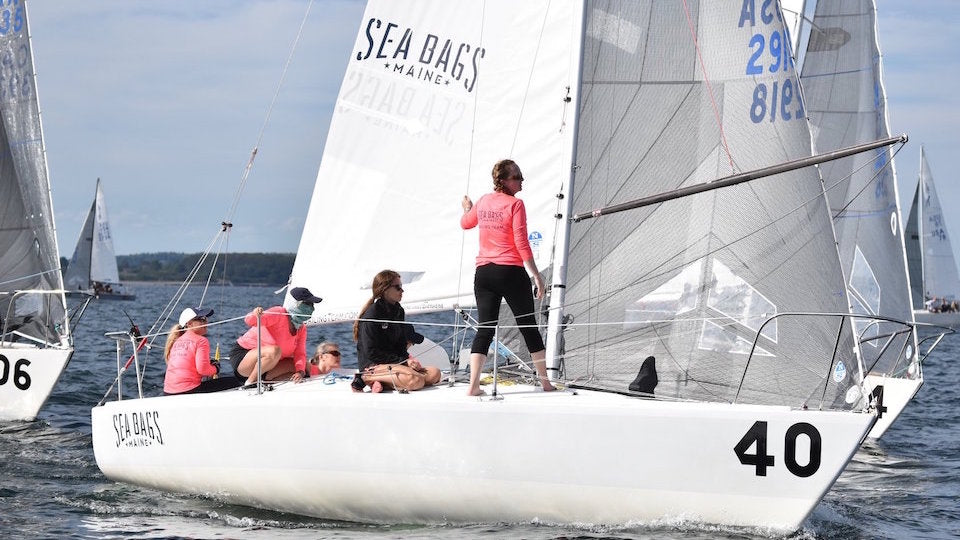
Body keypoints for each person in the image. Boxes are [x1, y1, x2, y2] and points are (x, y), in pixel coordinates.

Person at [460, 158, 555, 396]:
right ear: (502, 181)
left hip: (484, 273)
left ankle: (472, 387)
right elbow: (522, 244)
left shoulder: (482, 202)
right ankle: (545, 383)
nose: (522, 180)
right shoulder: (516, 204)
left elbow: (465, 223)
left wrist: (467, 209)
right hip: (510, 271)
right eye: (517, 177)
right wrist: (537, 276)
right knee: (528, 326)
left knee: (485, 328)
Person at [353, 270, 441, 392]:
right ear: (384, 289)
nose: (402, 291)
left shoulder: (399, 311)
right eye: (397, 287)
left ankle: (383, 381)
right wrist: (402, 362)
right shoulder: (372, 315)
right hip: (374, 365)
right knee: (416, 381)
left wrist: (407, 360)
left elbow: (400, 344)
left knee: (435, 373)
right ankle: (365, 377)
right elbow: (371, 352)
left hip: (394, 363)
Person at [229, 286, 321, 385]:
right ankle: (251, 383)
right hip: (244, 357)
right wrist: (255, 313)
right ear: (295, 304)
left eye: (312, 304)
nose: (311, 308)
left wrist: (300, 372)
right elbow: (250, 321)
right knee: (275, 351)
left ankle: (267, 382)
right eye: (307, 304)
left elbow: (300, 353)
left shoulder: (301, 328)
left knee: (304, 367)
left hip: (269, 364)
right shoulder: (279, 313)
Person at [163, 307, 240, 395]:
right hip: (189, 391)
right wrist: (216, 368)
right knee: (236, 382)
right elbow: (203, 370)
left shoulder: (176, 341)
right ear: (189, 324)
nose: (206, 322)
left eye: (205, 319)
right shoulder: (201, 341)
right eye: (202, 319)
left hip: (168, 391)